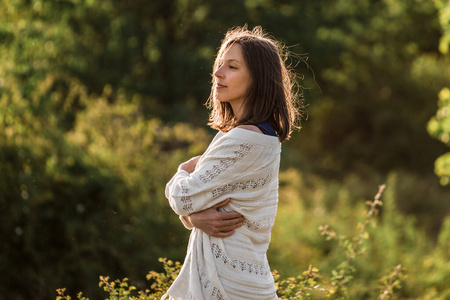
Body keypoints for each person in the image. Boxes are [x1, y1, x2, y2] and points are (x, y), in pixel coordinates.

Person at [163, 25, 302, 300]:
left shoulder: (244, 139)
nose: (218, 73)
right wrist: (194, 218)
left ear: (257, 78)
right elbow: (196, 203)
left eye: (232, 67)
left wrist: (180, 171)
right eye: (219, 64)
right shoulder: (260, 135)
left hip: (231, 283)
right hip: (243, 279)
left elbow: (183, 196)